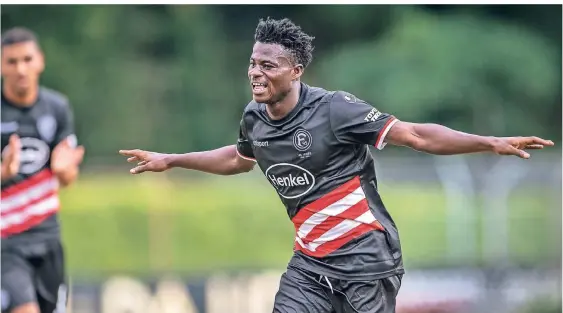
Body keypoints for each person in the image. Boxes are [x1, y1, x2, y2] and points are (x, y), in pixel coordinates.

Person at [119, 18, 554, 313]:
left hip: (368, 263)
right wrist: (171, 159)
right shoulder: (253, 118)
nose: (255, 72)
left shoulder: (335, 110)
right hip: (310, 266)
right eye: (252, 63)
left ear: (296, 71)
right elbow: (238, 158)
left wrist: (488, 142)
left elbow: (415, 135)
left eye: (268, 65)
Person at [1, 27, 85, 313]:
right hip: (6, 243)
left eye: (27, 59)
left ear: (40, 61)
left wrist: (64, 171)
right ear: (1, 65)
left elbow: (68, 177)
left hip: (48, 239)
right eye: (11, 62)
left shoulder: (57, 107)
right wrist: (3, 173)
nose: (20, 69)